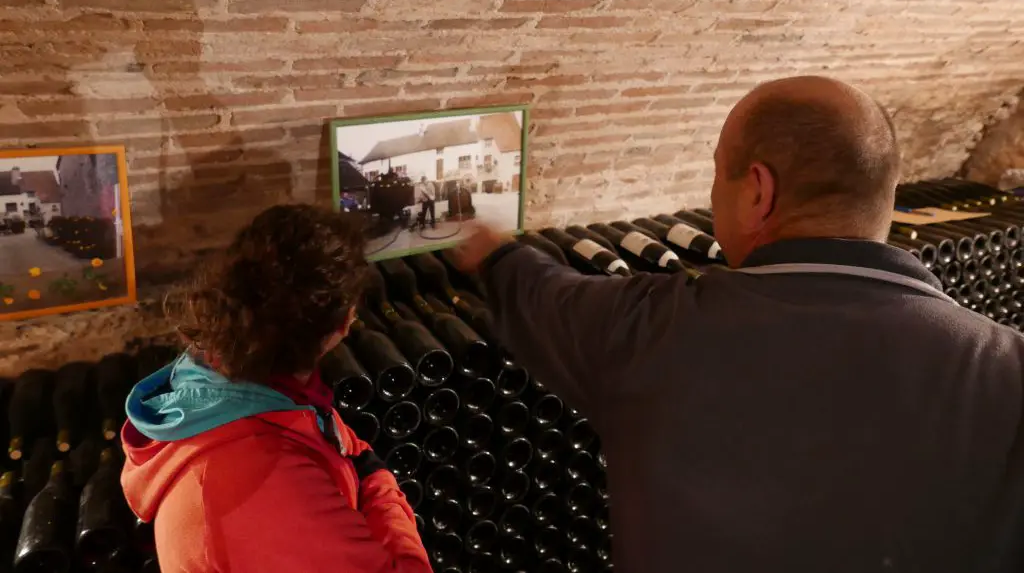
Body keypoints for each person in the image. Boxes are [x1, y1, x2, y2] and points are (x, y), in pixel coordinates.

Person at [456, 76, 1024, 573]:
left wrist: (486, 245)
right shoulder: (1009, 367)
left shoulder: (651, 329)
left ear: (758, 192)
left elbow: (540, 296)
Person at [121, 205, 431, 573]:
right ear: (344, 323)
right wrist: (378, 484)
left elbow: (320, 428)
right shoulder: (267, 484)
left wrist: (353, 453)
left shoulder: (210, 380)